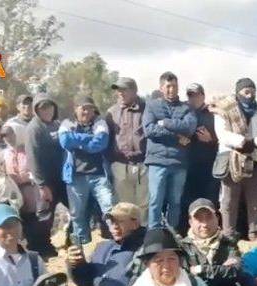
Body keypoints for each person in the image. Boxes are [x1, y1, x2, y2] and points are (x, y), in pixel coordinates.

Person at [214, 77, 257, 238]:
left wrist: (252, 143)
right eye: (246, 91)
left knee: (256, 207)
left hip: (256, 163)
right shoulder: (223, 111)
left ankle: (256, 241)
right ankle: (228, 242)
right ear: (238, 92)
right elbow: (222, 134)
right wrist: (241, 142)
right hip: (231, 163)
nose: (249, 95)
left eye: (253, 92)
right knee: (228, 205)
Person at [143, 71, 197, 230]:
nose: (171, 90)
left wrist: (165, 122)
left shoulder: (186, 108)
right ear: (161, 88)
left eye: (174, 86)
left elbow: (189, 128)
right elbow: (149, 130)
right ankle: (153, 233)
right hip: (157, 161)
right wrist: (176, 137)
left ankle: (171, 234)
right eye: (168, 86)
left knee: (175, 201)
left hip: (179, 161)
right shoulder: (151, 106)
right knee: (155, 200)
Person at [59, 95, 115, 244]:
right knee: (77, 214)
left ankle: (116, 240)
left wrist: (77, 142)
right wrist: (88, 138)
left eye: (90, 108)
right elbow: (64, 141)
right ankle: (82, 244)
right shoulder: (67, 122)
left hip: (99, 176)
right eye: (83, 108)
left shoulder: (99, 122)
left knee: (109, 209)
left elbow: (100, 143)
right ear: (75, 109)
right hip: (76, 176)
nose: (87, 112)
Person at [106, 77, 149, 225]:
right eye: (118, 90)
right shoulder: (111, 112)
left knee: (143, 204)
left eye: (124, 89)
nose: (120, 93)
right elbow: (107, 139)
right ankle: (127, 240)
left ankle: (143, 240)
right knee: (124, 207)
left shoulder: (147, 109)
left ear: (134, 91)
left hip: (143, 164)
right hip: (120, 165)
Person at [25, 93, 65, 252]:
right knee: (45, 215)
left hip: (61, 178)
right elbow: (32, 158)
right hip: (45, 181)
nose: (46, 110)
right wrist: (42, 185)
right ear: (36, 110)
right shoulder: (34, 128)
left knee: (74, 210)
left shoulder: (57, 124)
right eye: (42, 108)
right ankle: (41, 248)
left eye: (49, 106)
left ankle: (73, 240)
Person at [2, 124, 47, 256]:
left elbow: (37, 169)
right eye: (4, 135)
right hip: (15, 193)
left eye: (10, 133)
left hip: (32, 190)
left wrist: (25, 177)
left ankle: (41, 249)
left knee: (36, 221)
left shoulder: (29, 150)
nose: (7, 137)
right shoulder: (4, 154)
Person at [182, 83, 220, 228]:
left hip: (210, 167)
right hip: (188, 167)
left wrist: (211, 139)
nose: (193, 98)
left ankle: (211, 230)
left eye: (196, 95)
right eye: (190, 95)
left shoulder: (214, 114)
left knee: (210, 202)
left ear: (203, 96)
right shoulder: (184, 113)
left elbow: (224, 141)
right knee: (187, 203)